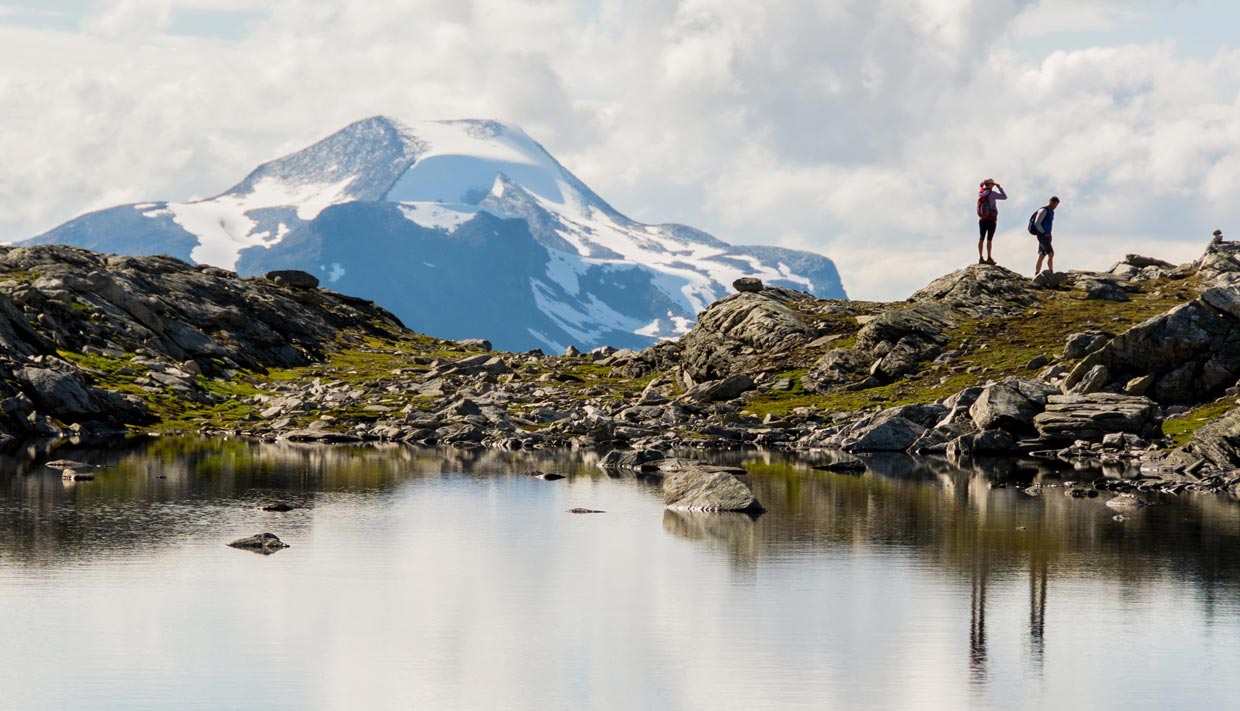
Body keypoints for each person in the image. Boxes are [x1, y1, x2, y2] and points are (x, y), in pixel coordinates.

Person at [976, 179, 1006, 264]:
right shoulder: (992, 194)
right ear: (990, 185)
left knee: (981, 238)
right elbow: (1004, 197)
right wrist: (999, 187)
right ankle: (989, 257)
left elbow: (982, 188)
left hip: (982, 219)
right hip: (991, 219)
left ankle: (980, 257)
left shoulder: (981, 193)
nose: (993, 185)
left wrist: (981, 186)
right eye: (992, 184)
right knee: (989, 239)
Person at [1032, 196, 1059, 275]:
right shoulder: (1044, 210)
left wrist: (1049, 234)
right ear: (1050, 202)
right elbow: (1037, 223)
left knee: (1042, 255)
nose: (1055, 207)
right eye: (1054, 205)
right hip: (1043, 235)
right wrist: (1044, 233)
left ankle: (1036, 273)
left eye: (1056, 205)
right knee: (1051, 253)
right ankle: (1051, 272)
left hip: (1046, 235)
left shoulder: (1051, 211)